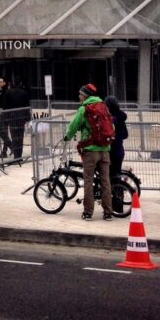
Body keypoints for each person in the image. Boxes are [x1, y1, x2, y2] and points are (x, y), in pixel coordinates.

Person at [64, 82, 113, 221]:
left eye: (80, 94)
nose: (79, 96)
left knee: (88, 181)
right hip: (105, 149)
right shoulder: (103, 106)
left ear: (85, 95)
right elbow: (111, 125)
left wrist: (67, 136)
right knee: (105, 181)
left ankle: (88, 212)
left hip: (91, 151)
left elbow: (74, 125)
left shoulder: (84, 108)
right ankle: (108, 212)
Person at [105, 95, 129, 215]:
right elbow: (125, 135)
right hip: (120, 151)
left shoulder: (111, 119)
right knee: (117, 177)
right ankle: (118, 205)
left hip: (111, 151)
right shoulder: (121, 117)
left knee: (109, 178)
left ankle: (114, 205)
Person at [5, 79, 31, 160]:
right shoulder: (24, 93)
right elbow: (27, 106)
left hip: (12, 116)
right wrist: (27, 118)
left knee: (14, 136)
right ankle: (19, 155)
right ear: (20, 83)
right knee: (20, 136)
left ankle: (16, 156)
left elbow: (6, 105)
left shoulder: (9, 92)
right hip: (21, 116)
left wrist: (7, 117)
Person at [0, 76, 13, 158]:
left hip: (5, 114)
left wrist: (2, 108)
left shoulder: (6, 92)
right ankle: (5, 151)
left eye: (1, 82)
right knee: (3, 132)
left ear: (4, 83)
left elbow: (6, 103)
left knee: (2, 132)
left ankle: (12, 147)